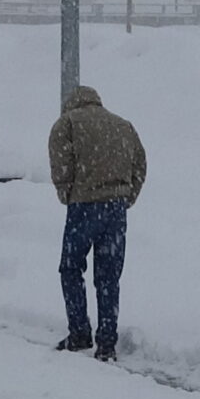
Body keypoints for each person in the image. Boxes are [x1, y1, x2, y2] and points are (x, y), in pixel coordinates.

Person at [47, 85, 145, 360]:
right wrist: (127, 195)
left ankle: (79, 333)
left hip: (83, 205)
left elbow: (60, 161)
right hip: (116, 210)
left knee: (71, 268)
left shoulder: (66, 123)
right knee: (108, 276)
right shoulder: (123, 125)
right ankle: (107, 343)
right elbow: (140, 164)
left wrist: (66, 192)